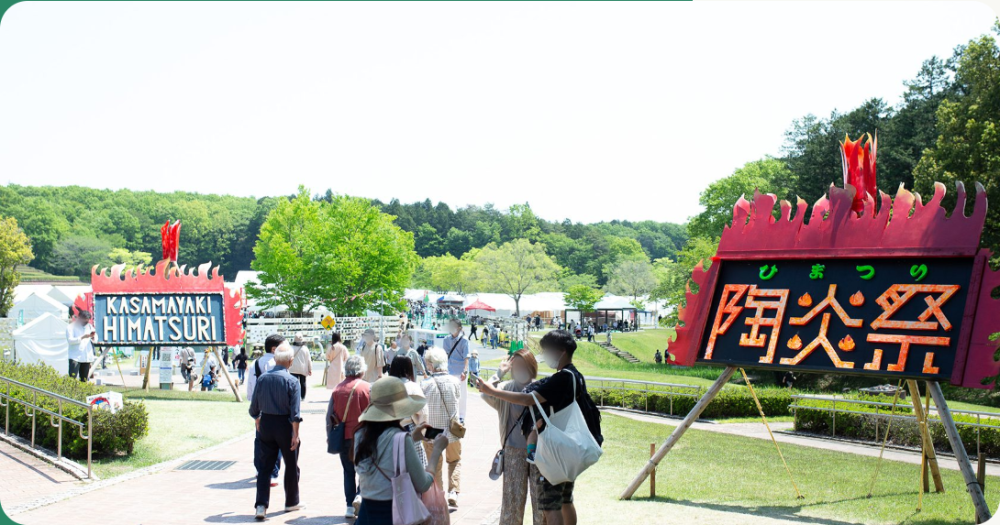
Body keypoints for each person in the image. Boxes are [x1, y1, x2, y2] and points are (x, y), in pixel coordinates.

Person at [478, 330, 603, 525]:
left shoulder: (561, 378)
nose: (544, 355)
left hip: (553, 450)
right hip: (566, 447)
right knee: (565, 500)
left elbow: (529, 399)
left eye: (546, 350)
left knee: (549, 505)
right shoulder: (575, 376)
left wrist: (491, 390)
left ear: (559, 352)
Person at [353, 377, 449, 525]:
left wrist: (412, 438)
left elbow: (383, 452)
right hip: (394, 514)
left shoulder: (360, 435)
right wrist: (436, 450)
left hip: (366, 514)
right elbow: (423, 484)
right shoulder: (400, 439)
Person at [480, 349, 544, 525]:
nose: (519, 369)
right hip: (513, 451)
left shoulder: (540, 388)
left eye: (523, 365)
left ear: (532, 367)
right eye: (515, 366)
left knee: (541, 504)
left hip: (540, 453)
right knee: (512, 504)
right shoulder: (506, 388)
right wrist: (500, 372)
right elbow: (486, 393)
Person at [250, 344, 303, 521]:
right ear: (290, 361)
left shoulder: (263, 379)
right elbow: (295, 413)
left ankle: (261, 505)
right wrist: (295, 434)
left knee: (265, 467)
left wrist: (258, 418)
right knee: (291, 463)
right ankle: (291, 501)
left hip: (266, 423)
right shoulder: (292, 381)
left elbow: (253, 408)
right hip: (285, 425)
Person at [328, 355, 372, 519]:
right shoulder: (367, 388)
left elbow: (330, 416)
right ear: (361, 370)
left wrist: (329, 435)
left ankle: (348, 505)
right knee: (365, 470)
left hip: (344, 436)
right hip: (364, 436)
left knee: (348, 472)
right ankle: (360, 496)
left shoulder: (337, 389)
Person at [421, 348, 464, 507]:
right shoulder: (454, 381)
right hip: (452, 430)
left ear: (431, 365)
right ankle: (453, 491)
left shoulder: (425, 384)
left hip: (432, 431)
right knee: (454, 460)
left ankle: (438, 497)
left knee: (434, 465)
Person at [248, 336, 283, 488]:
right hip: (275, 408)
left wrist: (254, 406)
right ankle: (272, 473)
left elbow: (250, 388)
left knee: (259, 439)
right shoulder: (276, 364)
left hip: (259, 406)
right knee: (277, 441)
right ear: (274, 349)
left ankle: (259, 468)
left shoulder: (255, 363)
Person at [442, 319, 470, 421]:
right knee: (449, 393)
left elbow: (466, 357)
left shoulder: (464, 340)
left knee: (462, 395)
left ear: (459, 328)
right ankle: (450, 415)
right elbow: (444, 356)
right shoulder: (446, 340)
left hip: (460, 371)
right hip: (449, 371)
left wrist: (465, 371)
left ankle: (461, 416)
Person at [66, 310, 96, 382]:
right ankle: (71, 392)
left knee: (84, 379)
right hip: (75, 357)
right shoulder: (71, 327)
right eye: (84, 321)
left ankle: (83, 393)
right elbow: (70, 341)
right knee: (72, 378)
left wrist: (92, 337)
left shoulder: (89, 326)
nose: (85, 323)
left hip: (86, 357)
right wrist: (82, 337)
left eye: (87, 321)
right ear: (79, 318)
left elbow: (95, 339)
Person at [289, 334, 313, 400]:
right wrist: (310, 369)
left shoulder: (291, 348)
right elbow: (309, 360)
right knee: (303, 383)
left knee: (293, 383)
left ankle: (293, 396)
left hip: (293, 368)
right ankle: (303, 397)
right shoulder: (305, 349)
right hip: (303, 369)